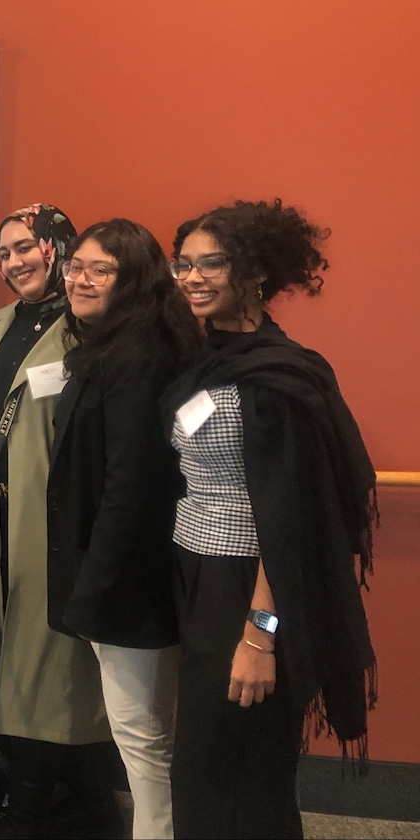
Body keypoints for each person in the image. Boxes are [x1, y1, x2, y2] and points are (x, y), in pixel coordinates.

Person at [162, 200, 377, 839]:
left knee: (237, 768)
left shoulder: (278, 378)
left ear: (254, 271)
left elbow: (291, 528)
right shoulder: (204, 357)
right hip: (198, 579)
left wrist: (260, 636)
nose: (193, 277)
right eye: (184, 264)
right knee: (209, 764)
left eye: (212, 263)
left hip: (248, 589)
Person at [0, 204, 119, 838]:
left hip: (52, 520)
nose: (15, 261)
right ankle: (87, 805)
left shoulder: (87, 328)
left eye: (27, 246)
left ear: (58, 248)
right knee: (18, 660)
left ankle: (30, 808)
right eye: (5, 252)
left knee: (47, 664)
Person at [45, 219, 202, 838]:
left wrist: (94, 587)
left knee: (141, 737)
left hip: (129, 581)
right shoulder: (117, 344)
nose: (79, 280)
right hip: (129, 576)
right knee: (150, 732)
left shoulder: (136, 356)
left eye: (100, 270)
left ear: (132, 279)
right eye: (75, 266)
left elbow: (129, 487)